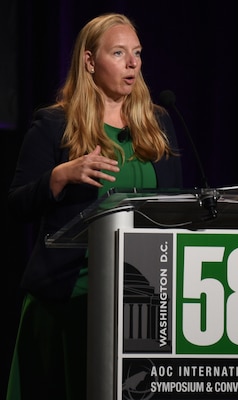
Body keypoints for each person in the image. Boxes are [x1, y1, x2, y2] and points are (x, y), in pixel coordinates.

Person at [6, 13, 183, 400]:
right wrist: (59, 177)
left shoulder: (158, 123)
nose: (133, 63)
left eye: (136, 53)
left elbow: (175, 210)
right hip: (70, 300)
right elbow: (16, 204)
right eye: (119, 53)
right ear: (89, 61)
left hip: (143, 304)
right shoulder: (55, 124)